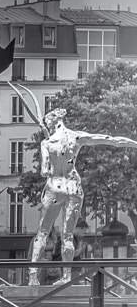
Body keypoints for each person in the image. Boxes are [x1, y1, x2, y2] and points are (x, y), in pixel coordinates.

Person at [32, 107, 137, 273]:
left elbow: (45, 171)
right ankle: (66, 276)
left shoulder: (47, 143)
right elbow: (108, 139)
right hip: (73, 186)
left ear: (51, 123)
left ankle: (32, 276)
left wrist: (51, 155)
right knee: (67, 235)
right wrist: (132, 143)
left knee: (42, 233)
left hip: (55, 185)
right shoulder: (75, 136)